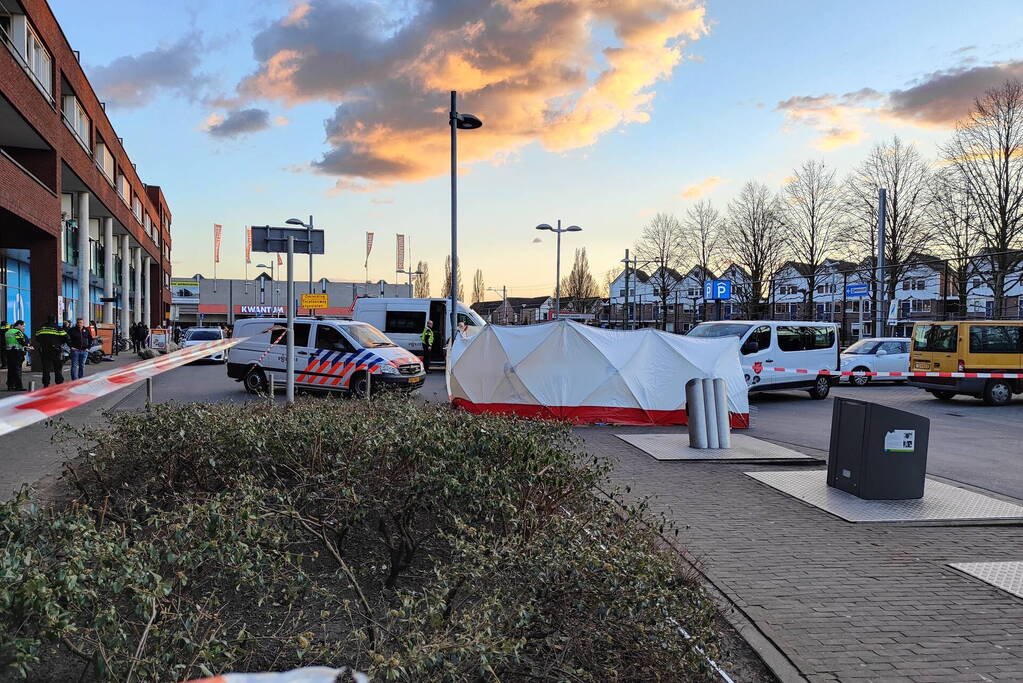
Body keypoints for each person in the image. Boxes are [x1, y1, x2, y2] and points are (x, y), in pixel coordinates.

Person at [34, 318, 68, 388]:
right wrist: (60, 343)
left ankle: (46, 384)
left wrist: (43, 343)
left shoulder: (42, 328)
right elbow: (66, 337)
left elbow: (37, 337)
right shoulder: (58, 328)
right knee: (57, 368)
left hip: (45, 350)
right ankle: (59, 383)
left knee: (46, 369)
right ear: (55, 320)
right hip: (56, 350)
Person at [4, 320, 29, 390]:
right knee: (17, 369)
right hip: (17, 352)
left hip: (9, 352)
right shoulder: (17, 332)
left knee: (11, 369)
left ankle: (10, 385)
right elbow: (22, 341)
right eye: (23, 326)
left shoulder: (8, 332)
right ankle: (18, 386)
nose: (24, 328)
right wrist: (27, 345)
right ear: (19, 325)